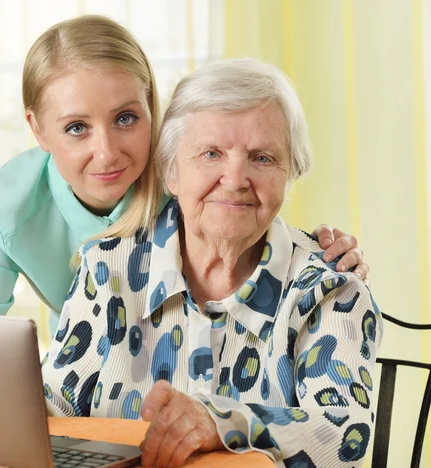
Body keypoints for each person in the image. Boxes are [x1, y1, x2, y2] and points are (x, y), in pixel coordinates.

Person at [41, 58, 382, 467]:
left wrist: (222, 422)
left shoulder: (330, 289)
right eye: (211, 153)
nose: (235, 178)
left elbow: (344, 434)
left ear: (290, 175)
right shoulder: (107, 268)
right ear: (171, 171)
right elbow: (49, 410)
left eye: (261, 158)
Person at [0, 15, 368, 332]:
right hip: (86, 383)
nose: (107, 153)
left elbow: (253, 210)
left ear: (152, 107)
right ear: (37, 130)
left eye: (125, 118)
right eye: (76, 128)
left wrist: (323, 251)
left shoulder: (190, 175)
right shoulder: (4, 208)